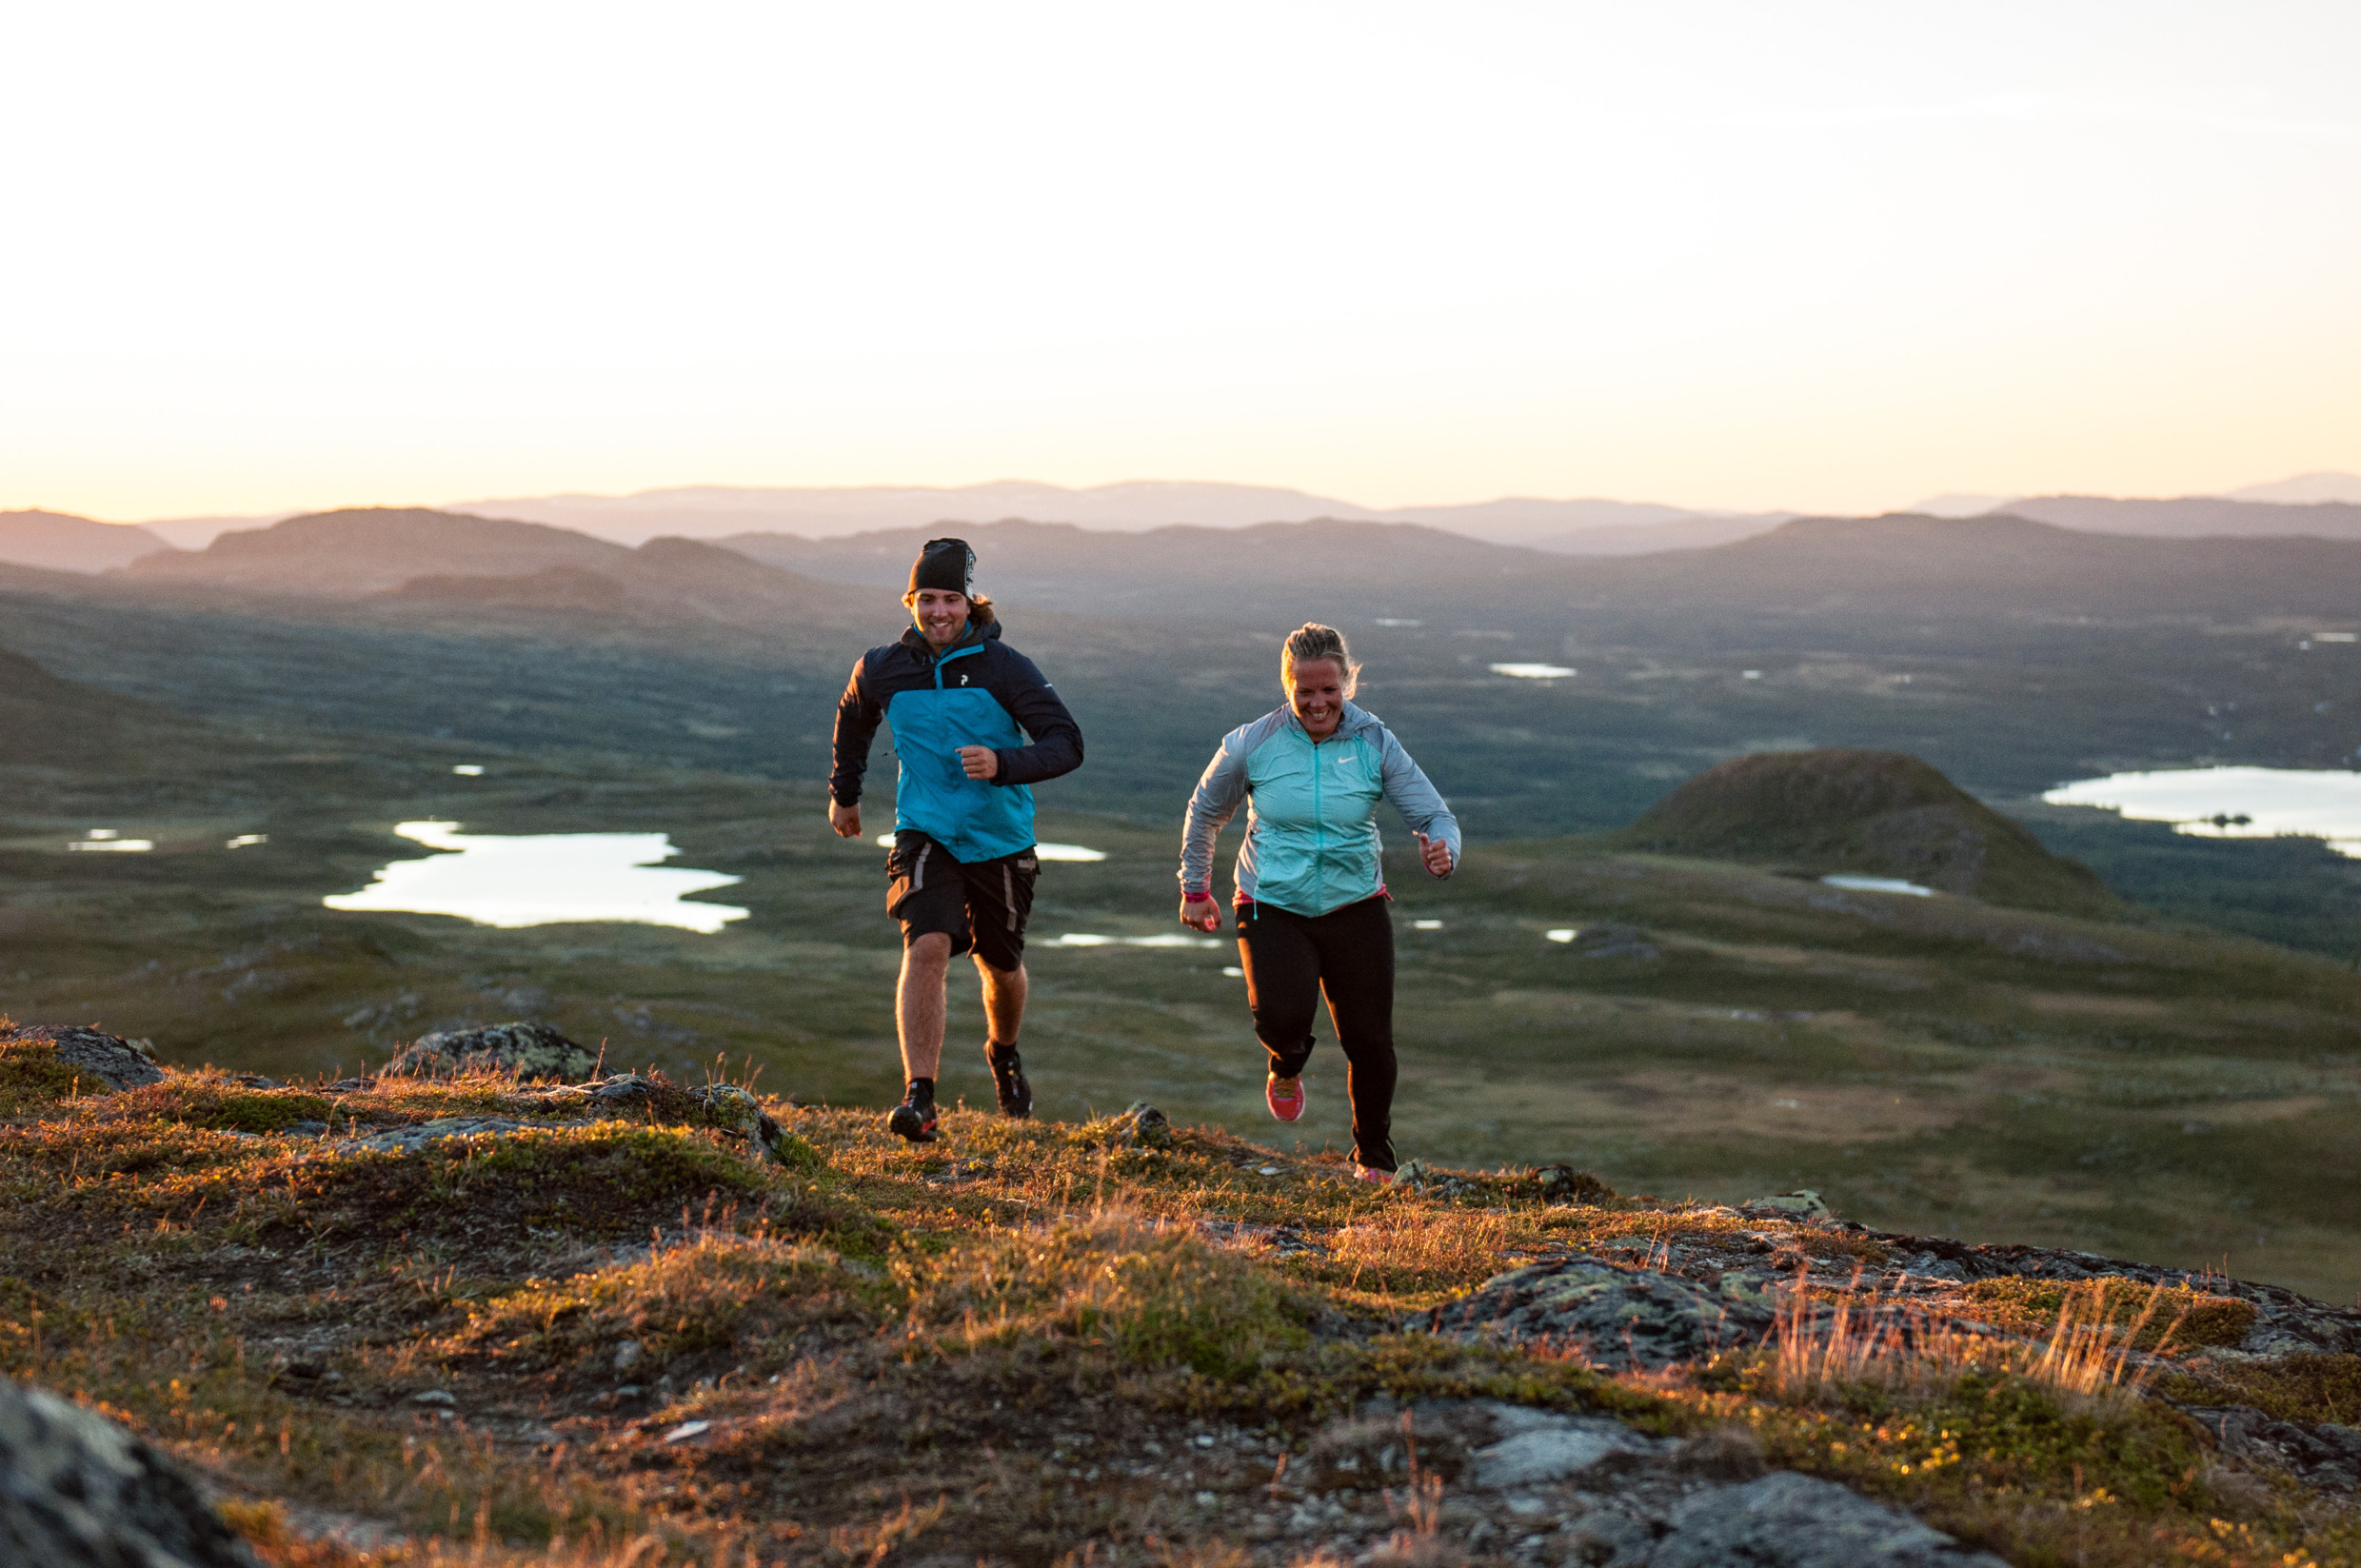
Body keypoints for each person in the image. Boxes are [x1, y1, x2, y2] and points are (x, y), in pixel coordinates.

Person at [1177, 623, 1459, 1182]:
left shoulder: (1375, 741)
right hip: (1271, 902)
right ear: (1288, 686)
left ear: (1346, 682)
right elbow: (1205, 811)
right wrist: (1194, 889)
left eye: (1328, 689)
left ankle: (1373, 1158)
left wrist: (1443, 850)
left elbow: (1434, 816)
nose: (1317, 702)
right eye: (1304, 691)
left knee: (1369, 1039)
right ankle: (1285, 1064)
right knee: (1282, 1020)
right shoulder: (1251, 743)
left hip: (1356, 905)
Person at [830, 538, 1084, 1141]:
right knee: (926, 946)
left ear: (971, 602)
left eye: (950, 598)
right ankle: (920, 1098)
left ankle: (1003, 1050)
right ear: (910, 600)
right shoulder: (883, 666)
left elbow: (1067, 743)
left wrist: (1003, 763)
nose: (938, 611)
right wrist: (845, 793)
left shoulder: (1005, 667)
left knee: (1001, 966)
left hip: (1000, 838)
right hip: (925, 831)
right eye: (926, 598)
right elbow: (854, 715)